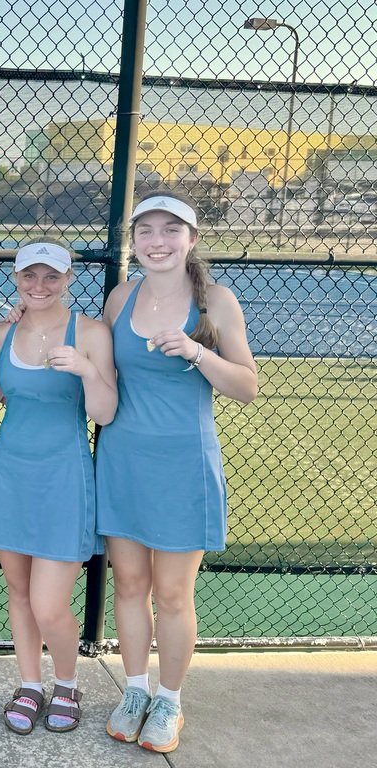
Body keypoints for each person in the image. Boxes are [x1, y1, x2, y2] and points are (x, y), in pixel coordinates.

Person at [97, 192, 258, 752]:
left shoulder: (215, 300)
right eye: (146, 231)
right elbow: (93, 358)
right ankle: (135, 689)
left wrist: (196, 352)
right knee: (130, 585)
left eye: (171, 230)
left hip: (184, 463)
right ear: (134, 239)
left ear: (191, 239)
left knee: (171, 593)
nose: (157, 241)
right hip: (121, 462)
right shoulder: (121, 297)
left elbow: (246, 387)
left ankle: (169, 699)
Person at [0, 240, 117, 735]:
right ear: (16, 278)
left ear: (69, 278)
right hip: (11, 473)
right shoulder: (0, 334)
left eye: (50, 277)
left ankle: (68, 684)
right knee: (18, 592)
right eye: (29, 276)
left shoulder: (91, 333)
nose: (39, 286)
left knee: (49, 603)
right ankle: (30, 684)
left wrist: (86, 369)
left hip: (63, 477)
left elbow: (104, 411)